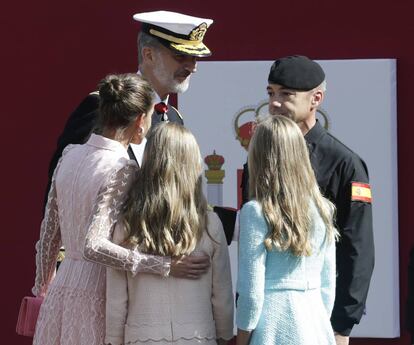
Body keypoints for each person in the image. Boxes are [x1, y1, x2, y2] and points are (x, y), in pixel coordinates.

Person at [44, 10, 214, 277]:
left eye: (195, 58)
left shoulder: (172, 118)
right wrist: (59, 260)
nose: (192, 66)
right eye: (181, 56)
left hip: (147, 273)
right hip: (99, 269)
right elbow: (64, 184)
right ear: (148, 55)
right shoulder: (103, 106)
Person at [239, 55, 375, 344]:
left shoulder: (345, 163)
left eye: (286, 93)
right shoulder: (258, 158)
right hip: (268, 324)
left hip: (320, 321)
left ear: (316, 98)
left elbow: (357, 250)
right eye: (270, 92)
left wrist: (341, 326)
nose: (274, 102)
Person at [32, 74, 158, 344]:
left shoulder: (70, 155)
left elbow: (48, 240)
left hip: (59, 293)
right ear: (140, 120)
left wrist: (43, 290)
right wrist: (157, 264)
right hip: (99, 295)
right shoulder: (123, 168)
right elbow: (94, 245)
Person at [105, 122, 234, 345]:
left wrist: (113, 339)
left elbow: (117, 298)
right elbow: (221, 295)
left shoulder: (127, 225)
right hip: (198, 338)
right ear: (194, 166)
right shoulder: (210, 224)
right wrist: (223, 334)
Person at [236, 115, 337, 345]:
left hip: (272, 329)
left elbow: (251, 293)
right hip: (317, 327)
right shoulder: (324, 210)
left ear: (259, 158)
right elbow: (328, 287)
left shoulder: (255, 212)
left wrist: (242, 340)